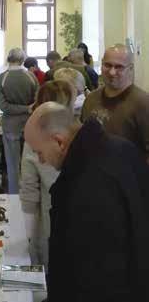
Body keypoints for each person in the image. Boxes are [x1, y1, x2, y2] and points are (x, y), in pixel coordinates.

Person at [25, 102, 149, 302]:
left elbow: (89, 276)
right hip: (137, 281)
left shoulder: (86, 185)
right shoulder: (121, 147)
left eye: (39, 152)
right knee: (8, 278)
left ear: (59, 142)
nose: (40, 161)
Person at [20, 80, 76, 270]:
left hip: (51, 220)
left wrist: (26, 236)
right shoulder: (78, 132)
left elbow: (29, 190)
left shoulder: (34, 138)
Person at [81, 43, 149, 162]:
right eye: (108, 65)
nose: (112, 72)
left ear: (131, 69)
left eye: (119, 67)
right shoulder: (91, 99)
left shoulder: (143, 103)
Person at [0, 48, 38, 193]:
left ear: (8, 58)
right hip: (30, 124)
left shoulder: (1, 79)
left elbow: (4, 106)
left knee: (12, 164)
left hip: (10, 125)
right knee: (30, 162)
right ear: (22, 60)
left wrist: (22, 108)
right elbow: (36, 102)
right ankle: (30, 193)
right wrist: (27, 109)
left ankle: (14, 195)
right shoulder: (31, 77)